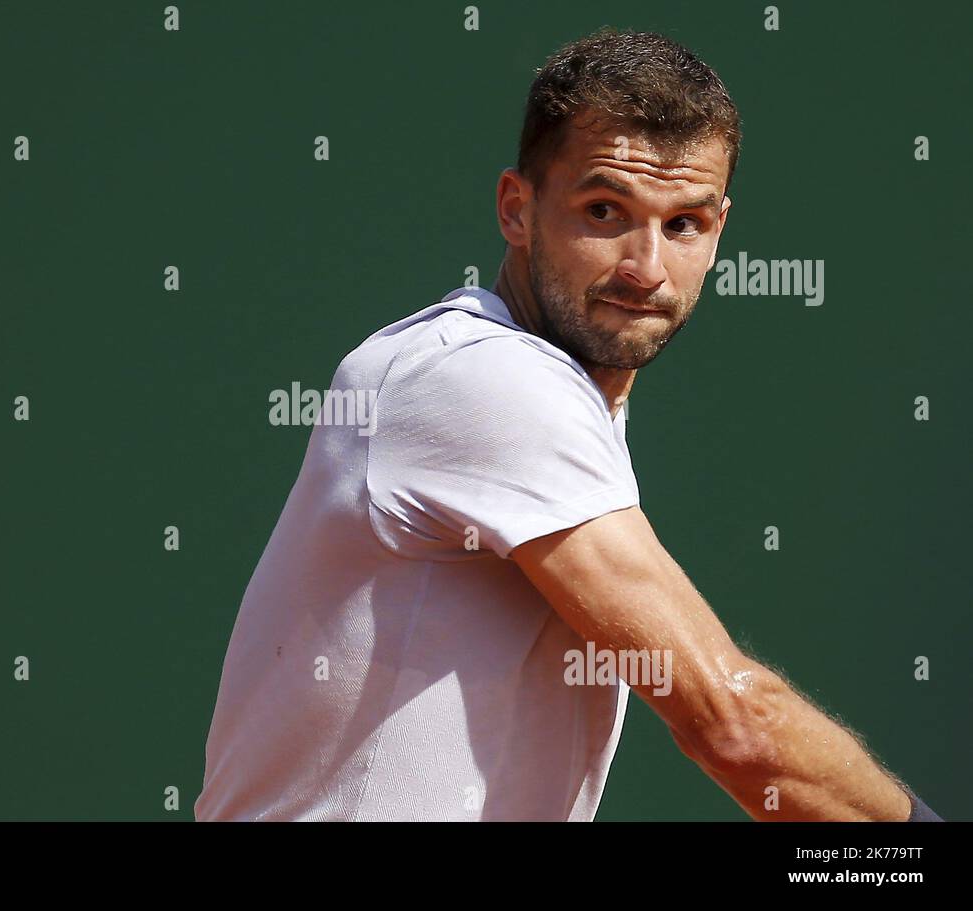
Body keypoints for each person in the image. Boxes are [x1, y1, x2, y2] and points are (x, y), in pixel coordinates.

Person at [194, 28, 941, 822]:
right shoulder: (484, 377)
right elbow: (738, 728)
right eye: (605, 210)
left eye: (684, 223)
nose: (645, 267)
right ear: (517, 209)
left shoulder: (563, 399)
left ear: (719, 230)